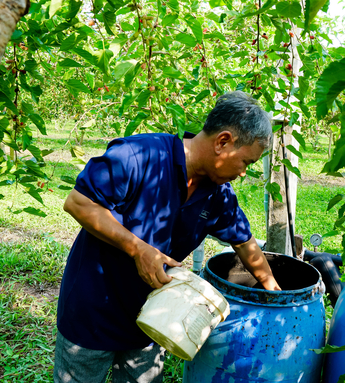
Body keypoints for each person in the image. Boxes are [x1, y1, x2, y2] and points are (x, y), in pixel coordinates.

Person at [54, 91, 281, 383]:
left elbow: (245, 243)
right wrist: (138, 249)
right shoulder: (139, 156)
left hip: (153, 317)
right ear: (223, 142)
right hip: (92, 311)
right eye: (246, 162)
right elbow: (79, 203)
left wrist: (273, 291)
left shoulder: (218, 195)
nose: (242, 173)